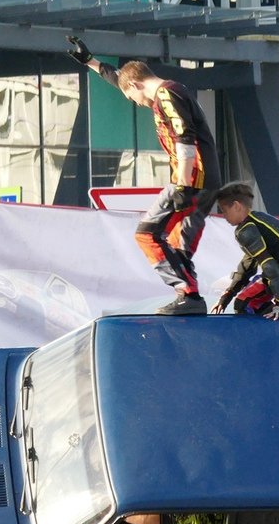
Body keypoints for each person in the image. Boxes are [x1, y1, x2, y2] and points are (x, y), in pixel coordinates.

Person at [67, 37, 220, 315]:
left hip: (193, 180)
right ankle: (188, 297)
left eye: (132, 98)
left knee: (147, 233)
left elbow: (184, 136)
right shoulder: (166, 90)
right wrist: (91, 61)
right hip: (202, 181)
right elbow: (120, 80)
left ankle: (190, 297)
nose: (136, 103)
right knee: (177, 244)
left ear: (137, 85)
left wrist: (183, 186)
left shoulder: (166, 95)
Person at [210, 182, 279, 320]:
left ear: (236, 206)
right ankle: (272, 326)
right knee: (252, 298)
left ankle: (263, 336)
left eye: (224, 211)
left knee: (244, 301)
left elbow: (270, 266)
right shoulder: (256, 220)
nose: (224, 216)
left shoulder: (246, 229)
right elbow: (247, 266)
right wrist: (227, 295)